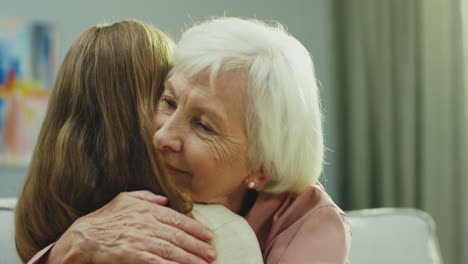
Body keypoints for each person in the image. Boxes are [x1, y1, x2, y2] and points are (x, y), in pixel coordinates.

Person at [27, 17, 351, 264]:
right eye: (168, 102)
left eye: (203, 126)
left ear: (260, 167)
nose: (162, 136)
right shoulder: (134, 185)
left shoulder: (307, 221)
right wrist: (68, 248)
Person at [14, 19, 263, 264]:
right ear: (136, 120)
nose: (167, 134)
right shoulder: (214, 235)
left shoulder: (34, 223)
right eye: (168, 101)